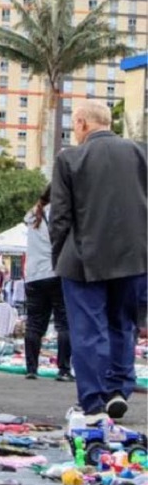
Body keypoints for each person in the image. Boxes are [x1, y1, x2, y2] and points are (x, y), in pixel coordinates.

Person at [50, 100, 147, 422]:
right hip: (134, 257)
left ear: (81, 123)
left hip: (82, 258)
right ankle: (118, 390)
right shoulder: (141, 153)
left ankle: (92, 403)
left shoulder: (70, 159)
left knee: (88, 330)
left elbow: (60, 216)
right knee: (124, 325)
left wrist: (57, 255)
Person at [23, 186, 73, 382]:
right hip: (56, 272)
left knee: (34, 323)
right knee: (64, 322)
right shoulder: (60, 213)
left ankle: (31, 368)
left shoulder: (33, 214)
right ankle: (63, 369)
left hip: (33, 275)